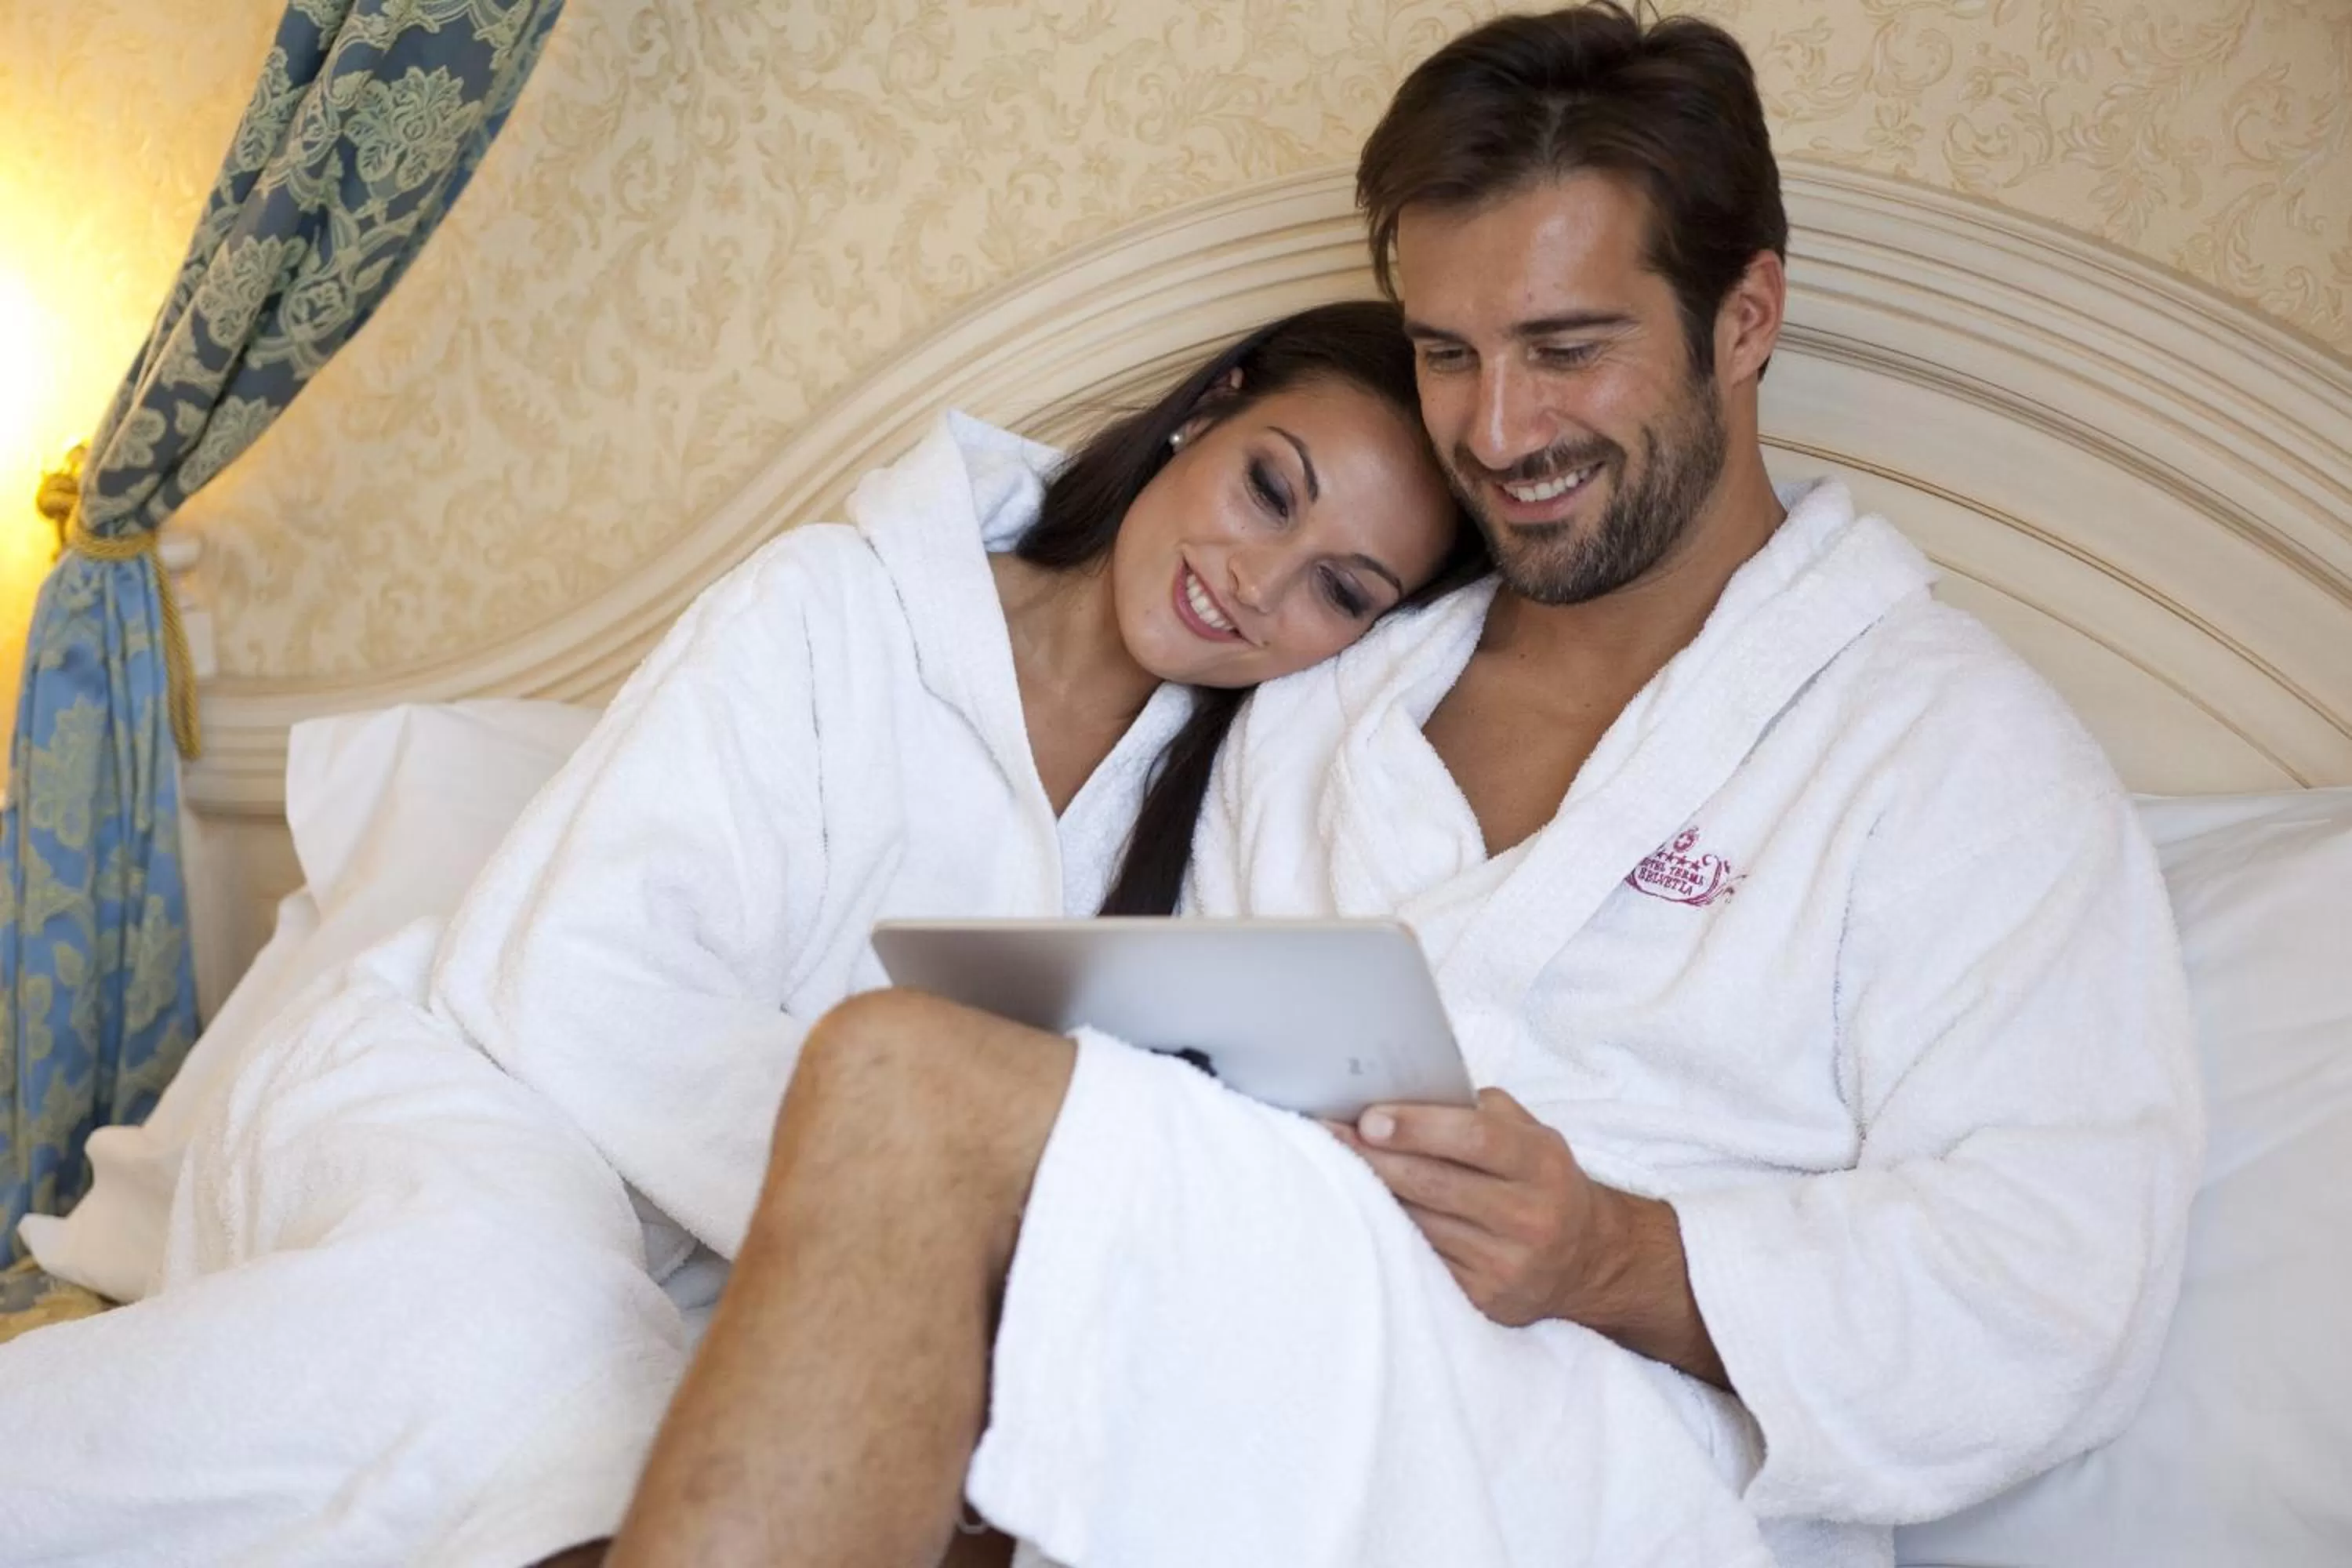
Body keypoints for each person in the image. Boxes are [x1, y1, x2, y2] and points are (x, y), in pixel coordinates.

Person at [604, 8, 2203, 1568]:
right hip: (1243, 1358)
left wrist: (1621, 1254)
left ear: (1745, 320)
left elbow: (2061, 1283)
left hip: (1594, 1458)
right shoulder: (1337, 684)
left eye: (1567, 350)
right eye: (1450, 354)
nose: (1500, 432)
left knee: (900, 1079)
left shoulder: (1948, 752)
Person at [0, 302, 1485, 1568]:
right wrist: (889, 1192)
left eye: (1340, 593)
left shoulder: (1235, 800)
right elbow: (569, 971)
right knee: (509, 1332)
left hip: (722, 1254)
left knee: (724, 1439)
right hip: (468, 1086)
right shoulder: (830, 607)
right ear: (1208, 410)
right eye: (1268, 491)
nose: (1257, 583)